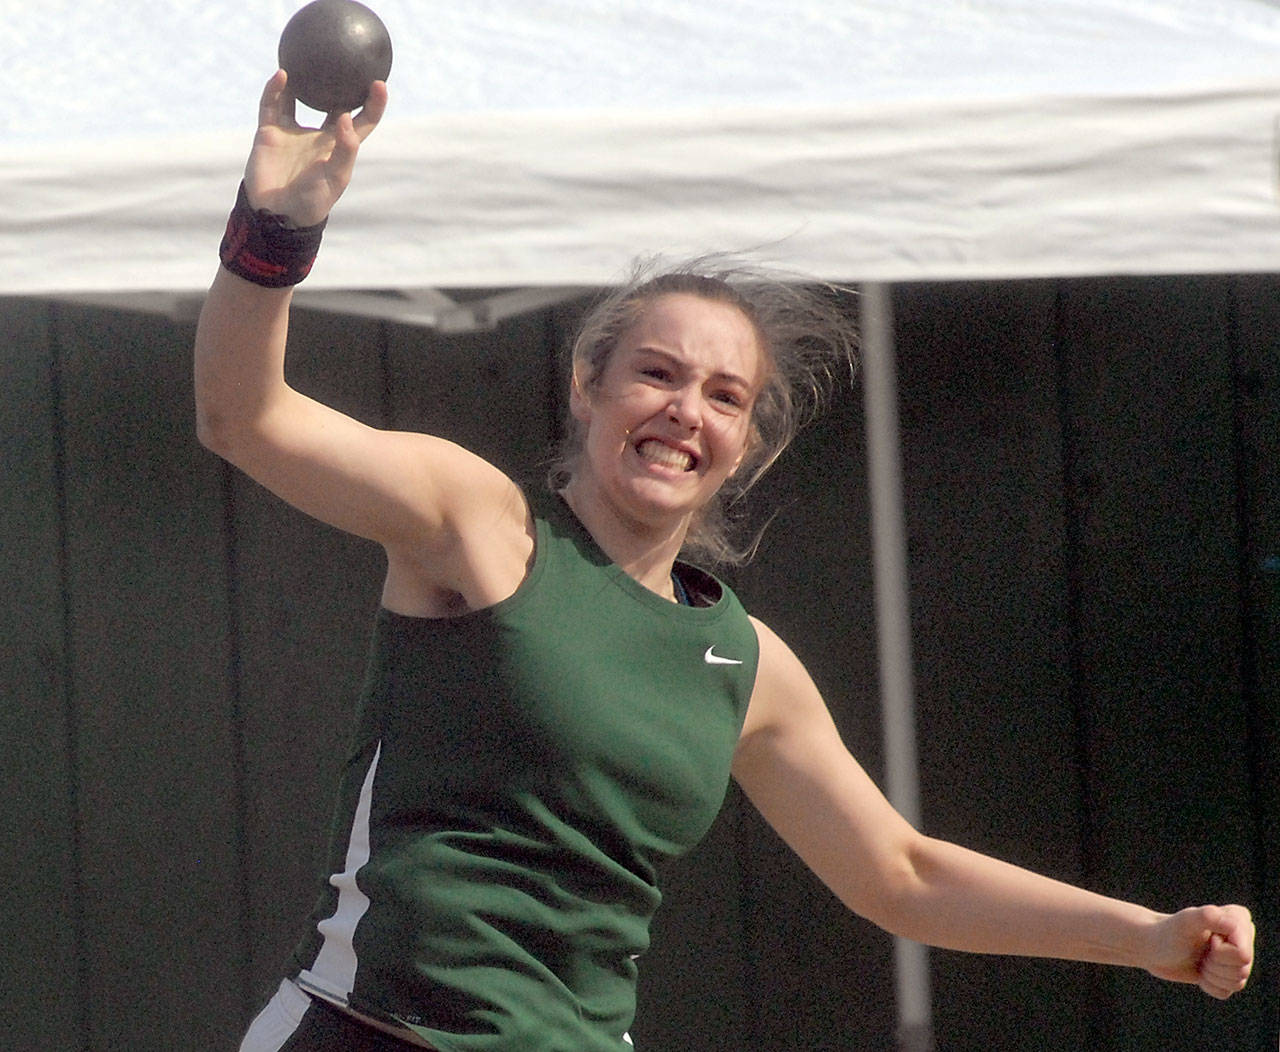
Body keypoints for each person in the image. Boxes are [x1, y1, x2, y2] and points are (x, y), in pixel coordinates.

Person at [196, 72, 1255, 1052]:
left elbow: (901, 872)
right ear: (586, 386)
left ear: (750, 441)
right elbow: (244, 417)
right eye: (655, 372)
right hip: (368, 1028)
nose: (682, 410)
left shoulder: (744, 662)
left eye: (722, 394)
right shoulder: (477, 523)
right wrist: (277, 228)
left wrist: (1149, 936)